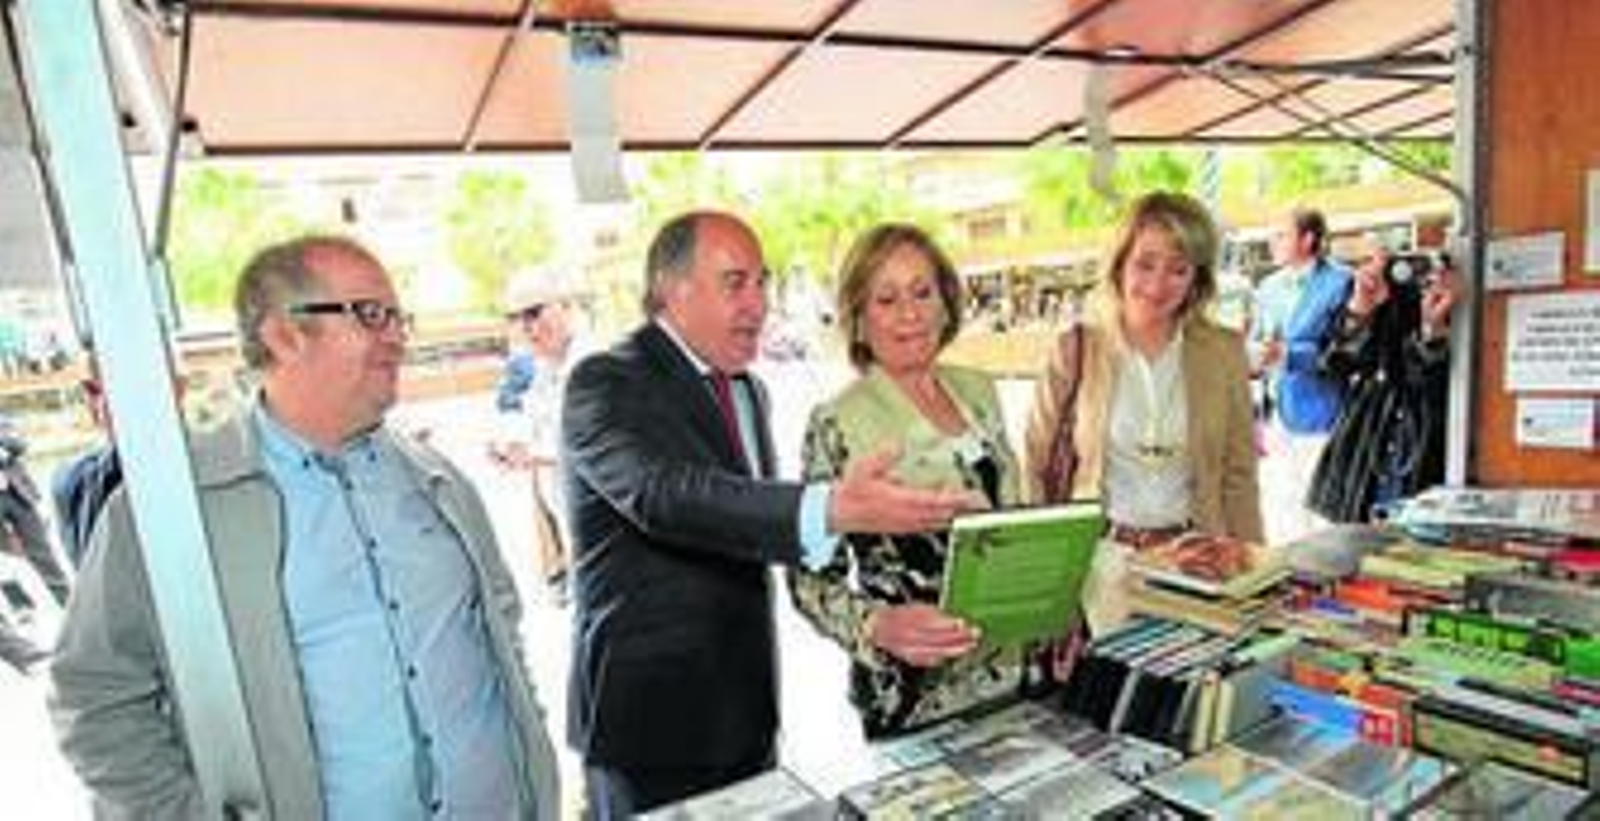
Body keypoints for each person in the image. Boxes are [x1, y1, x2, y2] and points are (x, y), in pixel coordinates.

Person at [49, 236, 560, 819]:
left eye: (399, 318)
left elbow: (502, 631)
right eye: (372, 315)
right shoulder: (174, 511)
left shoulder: (438, 481)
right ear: (283, 335)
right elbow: (95, 696)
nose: (398, 338)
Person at [561, 210, 976, 816]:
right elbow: (662, 494)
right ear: (673, 290)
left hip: (747, 716)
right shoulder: (606, 380)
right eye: (736, 283)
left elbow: (751, 526)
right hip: (651, 729)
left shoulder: (748, 390)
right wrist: (830, 509)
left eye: (763, 283)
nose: (758, 304)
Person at [789, 223, 1037, 739]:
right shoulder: (836, 423)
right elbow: (808, 579)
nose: (910, 313)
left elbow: (1011, 519)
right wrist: (876, 626)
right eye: (886, 299)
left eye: (923, 292)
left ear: (946, 303)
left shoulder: (980, 391)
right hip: (915, 692)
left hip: (1017, 672)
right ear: (859, 320)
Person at [1025, 191, 1262, 636]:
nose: (1158, 284)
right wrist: (1044, 570)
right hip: (1101, 565)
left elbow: (1239, 475)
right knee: (1111, 679)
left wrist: (1253, 571)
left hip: (1197, 562)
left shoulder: (1224, 351)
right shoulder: (1076, 349)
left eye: (1178, 268)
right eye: (1145, 263)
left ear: (1197, 278)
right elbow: (1035, 465)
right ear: (1119, 264)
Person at [1307, 241, 1460, 522]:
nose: (1415, 272)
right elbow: (1335, 364)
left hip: (1427, 448)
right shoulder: (1378, 295)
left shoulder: (1461, 304)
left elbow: (1434, 382)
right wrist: (1360, 309)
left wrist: (1432, 330)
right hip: (1368, 444)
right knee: (1355, 537)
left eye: (1424, 266)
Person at [492, 269, 595, 603]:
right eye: (514, 318)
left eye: (534, 312)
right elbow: (538, 429)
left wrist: (535, 455)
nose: (526, 327)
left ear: (566, 306)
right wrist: (512, 447)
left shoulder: (597, 365)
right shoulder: (543, 370)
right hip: (573, 530)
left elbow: (606, 447)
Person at [1250, 207, 1352, 543]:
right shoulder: (1267, 286)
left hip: (1323, 412)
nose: (1272, 242)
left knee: (1321, 512)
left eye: (1281, 235)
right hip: (1276, 414)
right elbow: (1259, 338)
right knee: (1281, 509)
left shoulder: (1341, 282)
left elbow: (1345, 350)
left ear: (1308, 239)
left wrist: (1289, 355)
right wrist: (1255, 354)